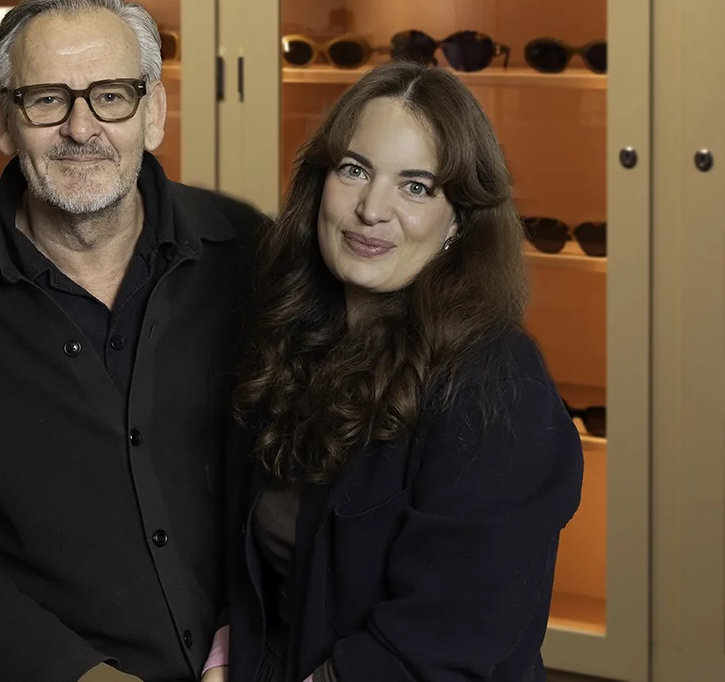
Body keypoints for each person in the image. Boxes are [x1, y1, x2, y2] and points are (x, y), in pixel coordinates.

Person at [0, 0, 268, 682]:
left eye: (110, 95)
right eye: (47, 98)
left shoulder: (250, 252)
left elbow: (298, 476)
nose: (81, 129)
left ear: (154, 111)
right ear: (2, 120)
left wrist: (253, 633)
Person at [210, 60, 585, 682]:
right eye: (355, 171)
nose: (371, 210)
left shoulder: (498, 385)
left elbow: (443, 640)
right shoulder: (286, 338)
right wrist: (227, 654)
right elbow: (247, 566)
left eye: (416, 187)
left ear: (458, 219)